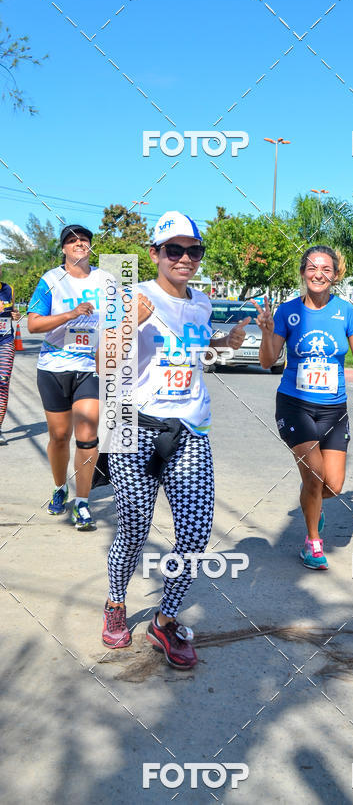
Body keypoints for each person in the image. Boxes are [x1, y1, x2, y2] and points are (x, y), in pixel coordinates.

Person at [100, 211, 250, 671]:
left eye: (193, 250)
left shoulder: (202, 303)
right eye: (174, 250)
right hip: (135, 429)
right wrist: (128, 326)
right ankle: (115, 603)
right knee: (133, 527)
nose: (185, 258)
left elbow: (195, 350)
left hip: (189, 429)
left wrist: (226, 341)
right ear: (155, 254)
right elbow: (104, 363)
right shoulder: (133, 297)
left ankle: (164, 622)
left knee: (194, 534)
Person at [254, 245, 353, 570]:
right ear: (304, 272)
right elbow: (266, 361)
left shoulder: (345, 311)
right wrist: (266, 332)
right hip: (294, 405)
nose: (319, 274)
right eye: (313, 267)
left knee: (332, 485)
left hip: (334, 409)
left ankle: (314, 501)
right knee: (314, 474)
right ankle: (312, 542)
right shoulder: (288, 312)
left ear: (335, 275)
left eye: (327, 269)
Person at [28, 225, 111, 528]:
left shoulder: (106, 279)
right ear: (63, 249)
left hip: (90, 367)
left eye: (84, 240)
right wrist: (71, 314)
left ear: (90, 247)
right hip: (53, 367)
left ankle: (83, 502)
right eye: (72, 240)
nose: (79, 243)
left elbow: (122, 317)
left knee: (87, 435)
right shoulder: (51, 280)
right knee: (59, 437)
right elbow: (33, 325)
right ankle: (60, 487)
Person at [0, 269, 20, 445]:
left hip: (5, 340)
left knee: (3, 381)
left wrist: (15, 314)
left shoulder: (8, 289)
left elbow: (12, 312)